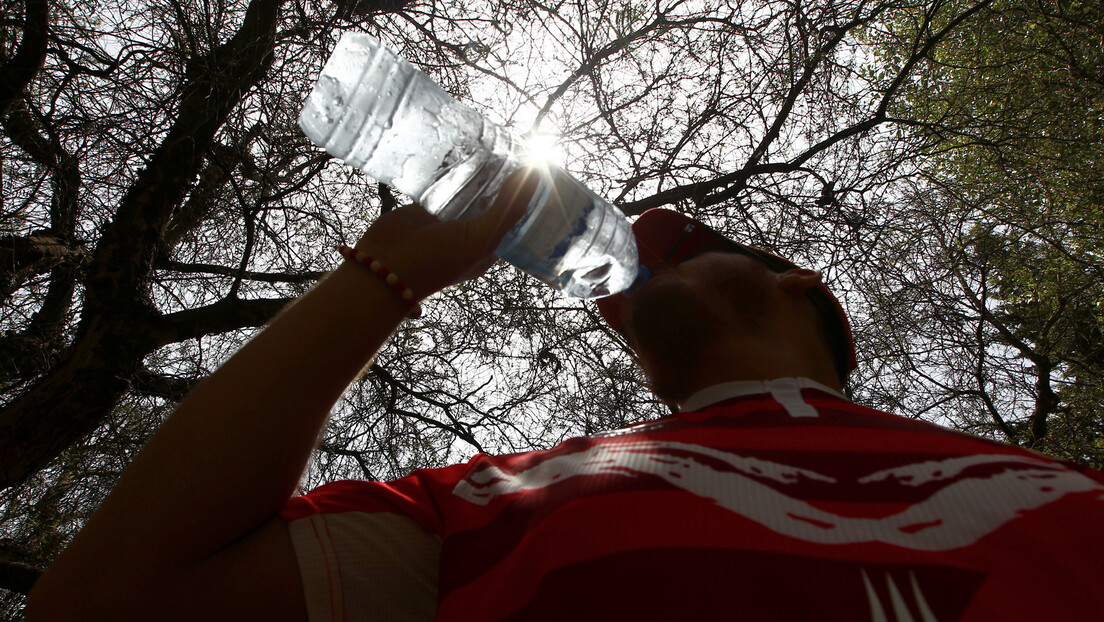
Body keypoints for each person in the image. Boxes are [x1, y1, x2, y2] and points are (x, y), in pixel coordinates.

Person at [26, 171, 1104, 622]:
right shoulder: (500, 507)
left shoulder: (1075, 495)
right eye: (631, 269)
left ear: (802, 287)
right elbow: (109, 603)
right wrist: (386, 269)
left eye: (688, 240)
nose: (642, 259)